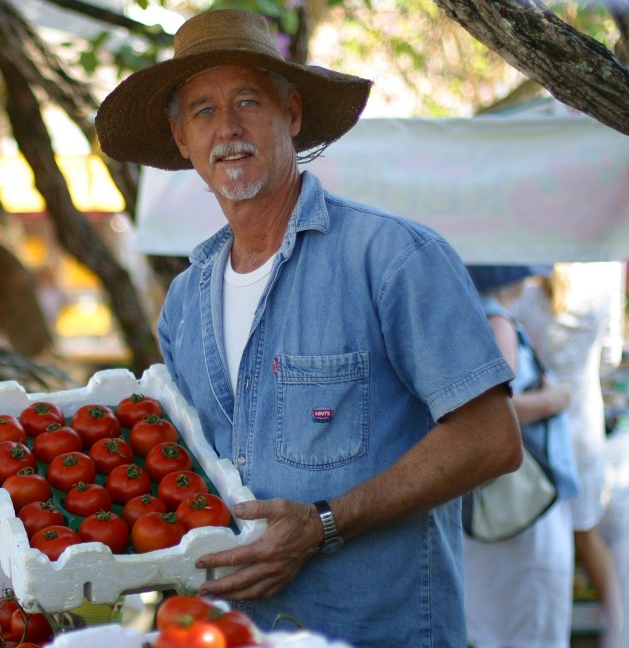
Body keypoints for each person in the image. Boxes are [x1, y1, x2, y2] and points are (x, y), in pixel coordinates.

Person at [93, 9, 522, 646]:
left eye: (248, 101)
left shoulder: (392, 257)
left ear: (291, 115)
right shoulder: (185, 301)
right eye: (204, 111)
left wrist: (325, 523)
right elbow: (182, 473)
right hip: (230, 631)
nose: (229, 128)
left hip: (378, 630)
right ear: (181, 139)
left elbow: (492, 438)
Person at [463, 265, 579, 648]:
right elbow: (495, 410)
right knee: (531, 620)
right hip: (524, 504)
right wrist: (552, 400)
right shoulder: (496, 320)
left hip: (501, 498)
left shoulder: (468, 313)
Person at [511, 262, 625, 643]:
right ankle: (617, 630)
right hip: (584, 422)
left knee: (543, 541)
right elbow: (609, 356)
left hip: (542, 430)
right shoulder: (601, 282)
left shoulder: (525, 291)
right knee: (586, 533)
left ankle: (548, 631)